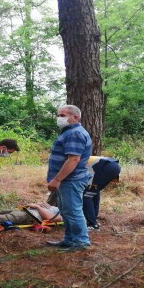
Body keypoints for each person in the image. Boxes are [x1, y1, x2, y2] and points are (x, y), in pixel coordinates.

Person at [46, 105, 92, 252]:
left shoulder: (75, 134)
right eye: (58, 115)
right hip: (67, 180)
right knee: (66, 211)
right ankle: (69, 240)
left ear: (75, 117)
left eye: (62, 115)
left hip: (71, 180)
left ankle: (80, 242)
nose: (59, 118)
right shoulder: (69, 132)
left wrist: (57, 179)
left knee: (73, 211)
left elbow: (73, 160)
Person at [83, 156, 121, 230]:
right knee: (94, 192)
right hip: (115, 166)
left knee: (87, 195)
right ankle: (93, 218)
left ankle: (92, 224)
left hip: (106, 168)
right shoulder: (83, 157)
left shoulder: (74, 161)